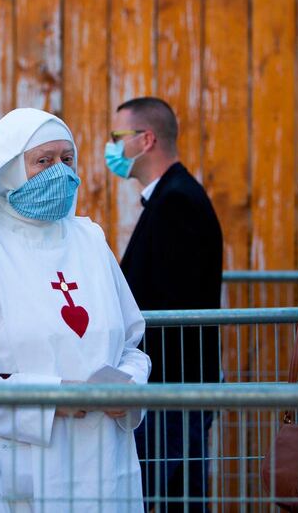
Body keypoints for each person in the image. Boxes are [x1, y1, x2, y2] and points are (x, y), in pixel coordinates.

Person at [0, 108, 151, 513]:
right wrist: (50, 398)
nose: (61, 172)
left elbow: (131, 346)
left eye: (67, 160)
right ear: (9, 170)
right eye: (44, 161)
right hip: (13, 471)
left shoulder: (90, 240)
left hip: (103, 463)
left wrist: (128, 386)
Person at [105, 97, 222, 512]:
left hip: (171, 388)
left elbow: (175, 302)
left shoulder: (176, 202)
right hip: (169, 387)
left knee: (169, 498)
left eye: (117, 137)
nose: (111, 147)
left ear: (146, 139)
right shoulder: (168, 197)